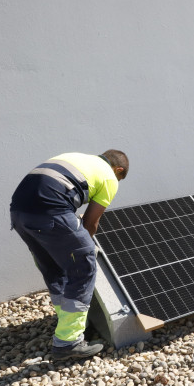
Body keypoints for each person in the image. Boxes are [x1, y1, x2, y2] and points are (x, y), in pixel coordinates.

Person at [10, 150, 128, 360]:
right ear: (118, 169)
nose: (117, 181)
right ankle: (68, 342)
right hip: (50, 211)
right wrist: (83, 246)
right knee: (83, 266)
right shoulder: (110, 177)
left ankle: (68, 325)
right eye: (120, 177)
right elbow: (91, 223)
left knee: (54, 269)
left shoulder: (77, 158)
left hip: (19, 213)